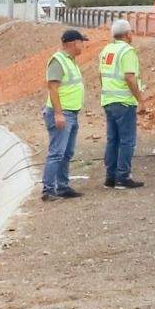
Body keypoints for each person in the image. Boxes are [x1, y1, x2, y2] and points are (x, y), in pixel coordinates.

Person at [42, 27, 88, 200]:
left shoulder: (70, 61)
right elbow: (52, 88)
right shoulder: (58, 61)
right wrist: (58, 114)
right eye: (81, 42)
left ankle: (62, 186)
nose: (83, 46)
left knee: (66, 153)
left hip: (71, 113)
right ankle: (48, 190)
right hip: (62, 114)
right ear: (74, 43)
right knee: (56, 153)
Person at [97, 17, 143, 190]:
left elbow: (101, 75)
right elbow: (130, 78)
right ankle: (123, 177)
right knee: (126, 141)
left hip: (108, 101)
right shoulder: (127, 51)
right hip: (124, 102)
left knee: (112, 140)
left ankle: (110, 177)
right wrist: (140, 100)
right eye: (131, 32)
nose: (132, 35)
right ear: (127, 34)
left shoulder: (106, 50)